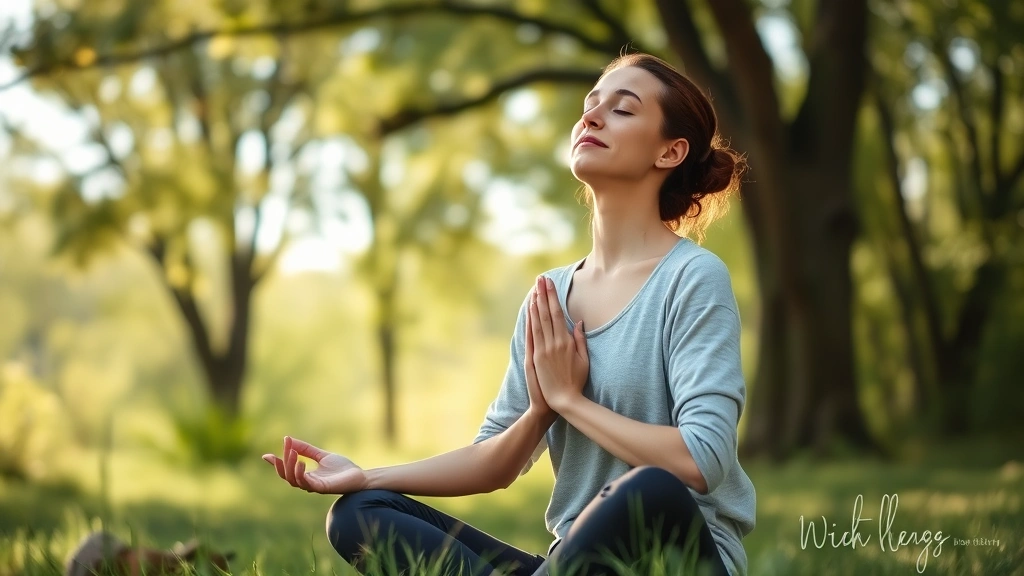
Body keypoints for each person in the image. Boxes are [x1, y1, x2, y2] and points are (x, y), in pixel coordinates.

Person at [263, 52, 756, 576]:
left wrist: (568, 399)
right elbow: (495, 460)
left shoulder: (692, 278)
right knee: (359, 515)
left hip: (675, 559)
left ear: (670, 151)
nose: (590, 117)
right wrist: (367, 477)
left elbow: (701, 460)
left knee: (650, 488)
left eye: (622, 110)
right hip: (575, 564)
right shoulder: (550, 296)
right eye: (590, 105)